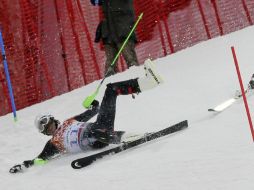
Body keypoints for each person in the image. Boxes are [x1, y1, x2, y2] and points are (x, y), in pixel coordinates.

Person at [9, 59, 163, 173]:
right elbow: (40, 159)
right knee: (94, 132)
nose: (49, 129)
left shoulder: (69, 122)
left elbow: (94, 110)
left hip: (101, 125)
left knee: (111, 89)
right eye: (45, 129)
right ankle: (128, 137)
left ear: (54, 120)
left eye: (48, 124)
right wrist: (24, 165)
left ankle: (149, 82)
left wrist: (91, 103)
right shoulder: (53, 143)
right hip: (93, 140)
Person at [91, 0, 139, 76]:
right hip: (109, 31)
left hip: (123, 27)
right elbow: (94, 2)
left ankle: (137, 78)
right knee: (110, 67)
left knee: (130, 60)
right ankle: (111, 84)